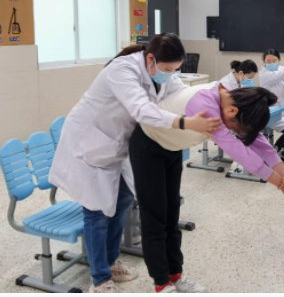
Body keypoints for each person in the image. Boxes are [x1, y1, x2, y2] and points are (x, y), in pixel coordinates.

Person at [48, 34, 221, 293]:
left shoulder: (160, 73)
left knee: (122, 204)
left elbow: (180, 92)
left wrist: (216, 96)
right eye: (167, 70)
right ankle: (100, 280)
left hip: (117, 145)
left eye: (175, 70)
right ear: (150, 59)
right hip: (89, 145)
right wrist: (185, 122)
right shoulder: (122, 70)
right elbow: (141, 109)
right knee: (97, 212)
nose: (170, 75)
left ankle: (110, 262)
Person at [130, 82, 284, 293]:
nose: (234, 132)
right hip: (149, 146)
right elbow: (239, 151)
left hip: (172, 147)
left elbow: (257, 141)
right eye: (235, 128)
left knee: (171, 214)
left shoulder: (233, 100)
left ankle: (175, 275)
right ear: (231, 112)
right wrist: (280, 184)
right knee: (155, 218)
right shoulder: (205, 106)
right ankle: (162, 283)